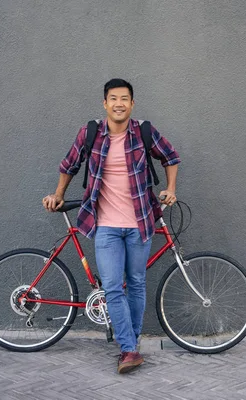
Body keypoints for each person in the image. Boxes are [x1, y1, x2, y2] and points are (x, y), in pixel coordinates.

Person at [42, 78, 180, 373]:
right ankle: (129, 350)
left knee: (138, 284)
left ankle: (132, 342)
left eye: (125, 98)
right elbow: (69, 165)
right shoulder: (90, 133)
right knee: (114, 288)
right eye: (113, 98)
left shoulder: (144, 132)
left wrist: (170, 188)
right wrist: (58, 195)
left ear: (132, 104)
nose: (119, 103)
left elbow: (171, 156)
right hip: (104, 224)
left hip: (139, 223)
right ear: (105, 103)